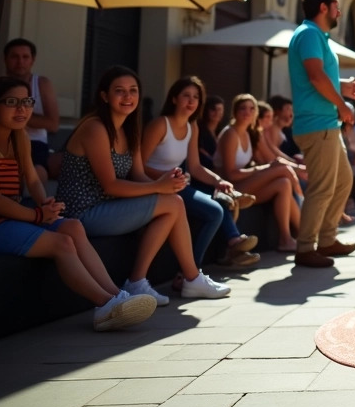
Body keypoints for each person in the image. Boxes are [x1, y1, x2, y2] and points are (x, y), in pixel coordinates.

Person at [57, 66, 230, 303]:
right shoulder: (95, 127)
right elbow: (110, 185)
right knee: (172, 202)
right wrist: (158, 187)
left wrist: (166, 185)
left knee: (173, 202)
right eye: (120, 91)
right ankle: (187, 278)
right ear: (105, 96)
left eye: (133, 90)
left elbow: (138, 174)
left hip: (110, 207)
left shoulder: (130, 129)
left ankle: (148, 281)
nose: (128, 97)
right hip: (82, 212)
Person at [0, 76, 158, 331]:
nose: (22, 109)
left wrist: (45, 203)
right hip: (2, 223)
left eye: (26, 101)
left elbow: (33, 180)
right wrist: (37, 216)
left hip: (17, 217)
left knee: (71, 227)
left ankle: (117, 296)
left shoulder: (21, 138)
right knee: (61, 243)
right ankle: (105, 306)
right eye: (11, 102)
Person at [141, 77, 260, 271]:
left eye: (196, 97)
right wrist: (163, 179)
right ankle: (191, 273)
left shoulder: (192, 126)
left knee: (218, 207)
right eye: (186, 96)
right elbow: (138, 165)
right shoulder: (160, 124)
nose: (191, 101)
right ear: (174, 99)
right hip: (154, 185)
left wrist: (218, 181)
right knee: (215, 211)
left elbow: (195, 167)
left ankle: (193, 272)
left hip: (177, 186)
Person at [287, 0, 355, 268]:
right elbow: (316, 77)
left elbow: (320, 79)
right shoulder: (308, 33)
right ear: (324, 8)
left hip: (325, 123)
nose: (339, 11)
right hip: (317, 124)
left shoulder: (317, 36)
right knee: (322, 188)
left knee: (343, 180)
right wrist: (343, 105)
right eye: (336, 5)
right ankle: (306, 247)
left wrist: (344, 88)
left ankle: (328, 238)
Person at [215, 94, 300, 253]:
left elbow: (270, 154)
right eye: (242, 108)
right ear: (234, 112)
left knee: (283, 183)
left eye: (251, 108)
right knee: (282, 170)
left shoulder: (248, 133)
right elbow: (230, 174)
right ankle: (305, 230)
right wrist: (261, 169)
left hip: (243, 185)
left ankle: (286, 238)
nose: (247, 112)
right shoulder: (230, 134)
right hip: (229, 189)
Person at [4, 38, 59, 185]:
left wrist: (13, 115)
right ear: (5, 59)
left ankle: (29, 204)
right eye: (14, 56)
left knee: (37, 172)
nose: (20, 61)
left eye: (25, 57)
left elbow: (53, 124)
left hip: (34, 142)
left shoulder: (42, 84)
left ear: (32, 60)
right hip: (3, 140)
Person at [197, 95, 224, 170]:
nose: (217, 113)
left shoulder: (222, 132)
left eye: (220, 109)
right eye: (213, 109)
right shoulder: (199, 131)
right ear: (206, 110)